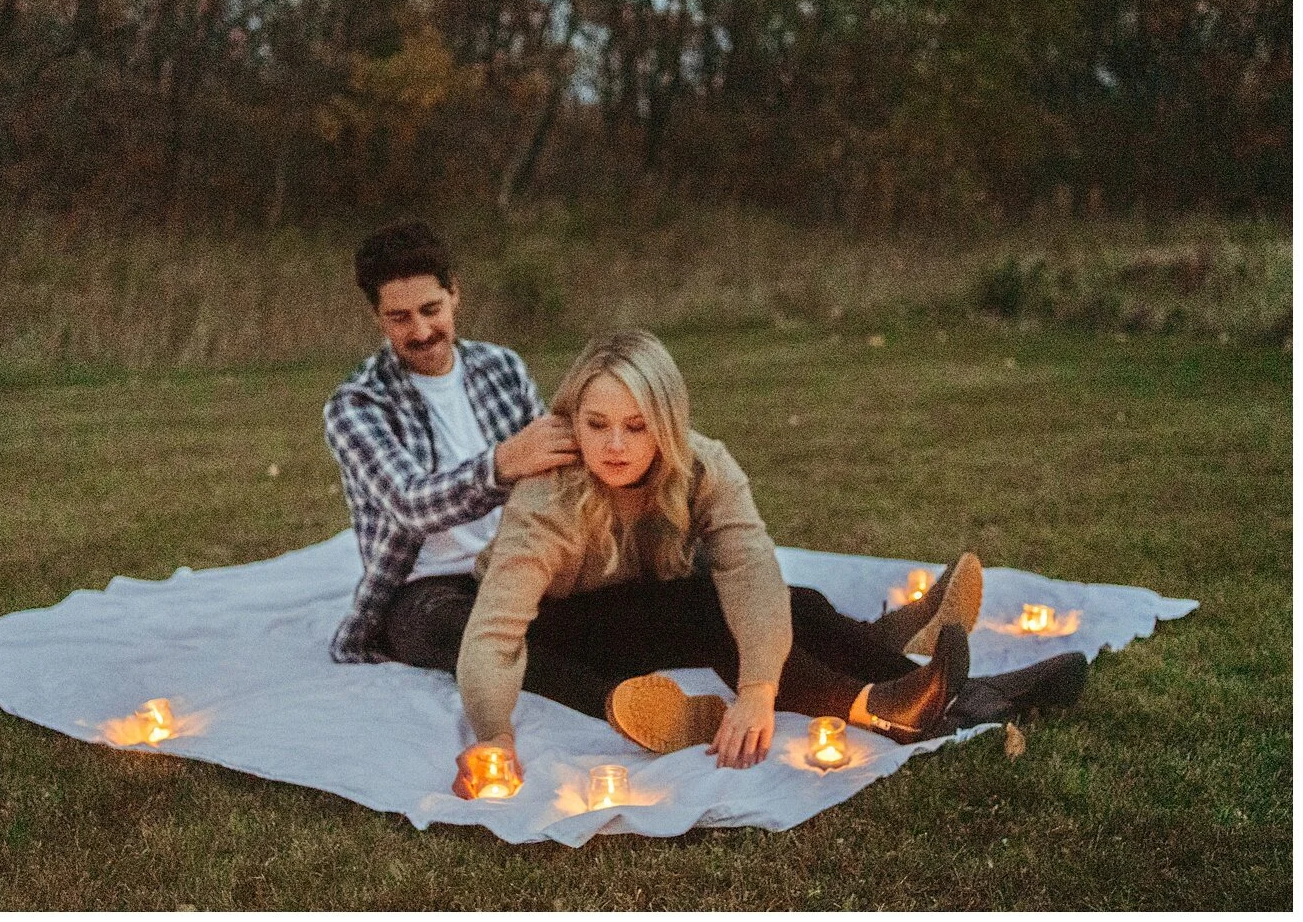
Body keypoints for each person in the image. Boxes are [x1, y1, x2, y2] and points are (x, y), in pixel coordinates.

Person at [452, 329, 1087, 796]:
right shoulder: (549, 493)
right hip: (559, 630)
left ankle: (961, 695)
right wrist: (493, 735)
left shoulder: (702, 464)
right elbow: (495, 630)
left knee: (793, 603)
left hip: (649, 600)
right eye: (597, 425)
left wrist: (759, 690)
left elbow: (752, 568)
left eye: (637, 426)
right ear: (573, 421)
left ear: (667, 425)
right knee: (710, 614)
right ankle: (879, 704)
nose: (615, 445)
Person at [323, 220, 579, 668]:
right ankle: (614, 700)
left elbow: (553, 478)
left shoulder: (503, 367)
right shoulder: (355, 405)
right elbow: (411, 505)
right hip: (423, 588)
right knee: (472, 638)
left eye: (430, 309)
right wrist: (501, 464)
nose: (421, 330)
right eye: (399, 318)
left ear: (454, 293)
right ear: (377, 317)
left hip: (516, 561)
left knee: (622, 604)